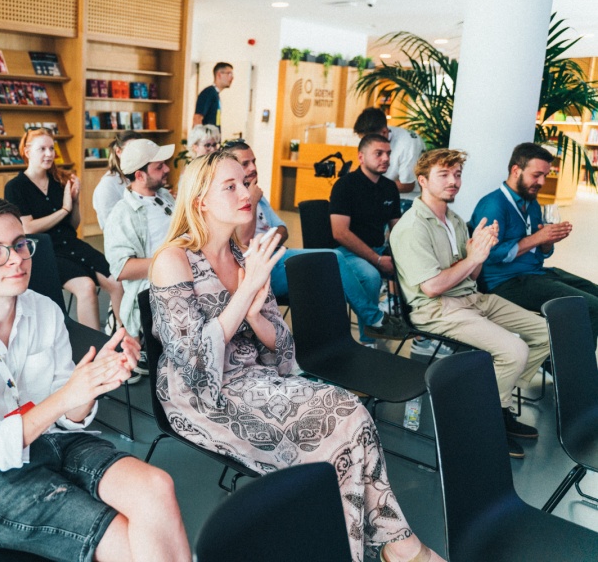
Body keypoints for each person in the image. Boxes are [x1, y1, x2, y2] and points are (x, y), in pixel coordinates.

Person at [149, 151, 443, 562]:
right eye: (230, 187)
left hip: (258, 380)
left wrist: (255, 314)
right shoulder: (173, 260)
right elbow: (194, 365)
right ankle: (394, 547)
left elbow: (285, 352)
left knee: (351, 412)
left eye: (245, 183)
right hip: (200, 398)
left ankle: (384, 545)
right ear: (200, 202)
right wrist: (247, 292)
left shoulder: (244, 256)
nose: (246, 193)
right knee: (336, 436)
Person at [0, 195, 191, 562]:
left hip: (57, 441)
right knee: (124, 538)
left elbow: (69, 416)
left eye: (19, 245)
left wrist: (93, 383)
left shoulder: (43, 309)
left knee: (157, 486)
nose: (16, 259)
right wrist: (66, 396)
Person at [390, 148, 550, 459]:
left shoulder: (454, 220)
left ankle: (495, 402)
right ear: (422, 180)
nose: (453, 181)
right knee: (515, 350)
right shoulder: (412, 226)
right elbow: (432, 287)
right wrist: (473, 257)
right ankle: (489, 419)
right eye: (444, 174)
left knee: (546, 332)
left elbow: (472, 275)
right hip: (436, 309)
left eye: (457, 174)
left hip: (471, 298)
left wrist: (480, 253)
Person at [223, 140, 385, 331]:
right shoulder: (239, 198)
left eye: (254, 161)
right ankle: (373, 320)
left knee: (344, 265)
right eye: (245, 164)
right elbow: (243, 241)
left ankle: (366, 328)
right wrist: (253, 200)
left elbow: (283, 229)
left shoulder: (257, 193)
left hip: (276, 255)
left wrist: (267, 242)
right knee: (333, 263)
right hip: (259, 269)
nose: (253, 168)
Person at [472, 142, 598, 342]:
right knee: (589, 306)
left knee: (595, 294)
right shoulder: (494, 204)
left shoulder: (532, 203)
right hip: (503, 282)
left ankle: (566, 356)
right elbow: (491, 255)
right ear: (516, 170)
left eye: (545, 175)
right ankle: (573, 362)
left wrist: (547, 242)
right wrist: (537, 238)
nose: (542, 182)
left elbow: (539, 252)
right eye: (536, 175)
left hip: (533, 274)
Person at [4, 128, 123, 330]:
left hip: (72, 245)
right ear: (27, 151)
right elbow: (28, 228)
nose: (49, 154)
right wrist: (64, 209)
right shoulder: (15, 187)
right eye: (42, 149)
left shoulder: (60, 180)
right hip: (45, 252)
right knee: (86, 287)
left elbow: (72, 225)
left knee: (117, 282)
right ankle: (93, 346)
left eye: (52, 148)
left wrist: (75, 202)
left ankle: (124, 336)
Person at [103, 138, 175, 374]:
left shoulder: (165, 197)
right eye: (159, 167)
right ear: (140, 175)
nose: (167, 169)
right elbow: (121, 268)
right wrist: (170, 263)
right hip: (156, 287)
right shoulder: (122, 214)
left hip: (182, 277)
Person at [329, 133, 408, 343]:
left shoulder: (389, 187)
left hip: (378, 248)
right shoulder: (345, 185)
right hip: (347, 253)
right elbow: (340, 232)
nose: (386, 158)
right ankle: (369, 339)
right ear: (361, 157)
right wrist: (378, 260)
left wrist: (402, 255)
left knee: (420, 267)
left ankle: (421, 335)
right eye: (378, 153)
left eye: (388, 153)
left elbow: (397, 228)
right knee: (371, 276)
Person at [354, 107, 425, 212]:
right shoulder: (373, 137)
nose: (367, 144)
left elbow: (408, 185)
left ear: (384, 132)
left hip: (409, 198)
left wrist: (372, 185)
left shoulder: (408, 144)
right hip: (381, 192)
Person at [92, 130, 140, 230]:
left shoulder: (139, 176)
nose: (137, 154)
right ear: (118, 152)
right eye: (131, 150)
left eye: (139, 150)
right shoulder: (107, 185)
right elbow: (111, 226)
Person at [192, 62, 233, 129]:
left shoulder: (216, 95)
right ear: (219, 74)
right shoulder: (208, 93)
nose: (232, 77)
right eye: (229, 74)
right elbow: (197, 119)